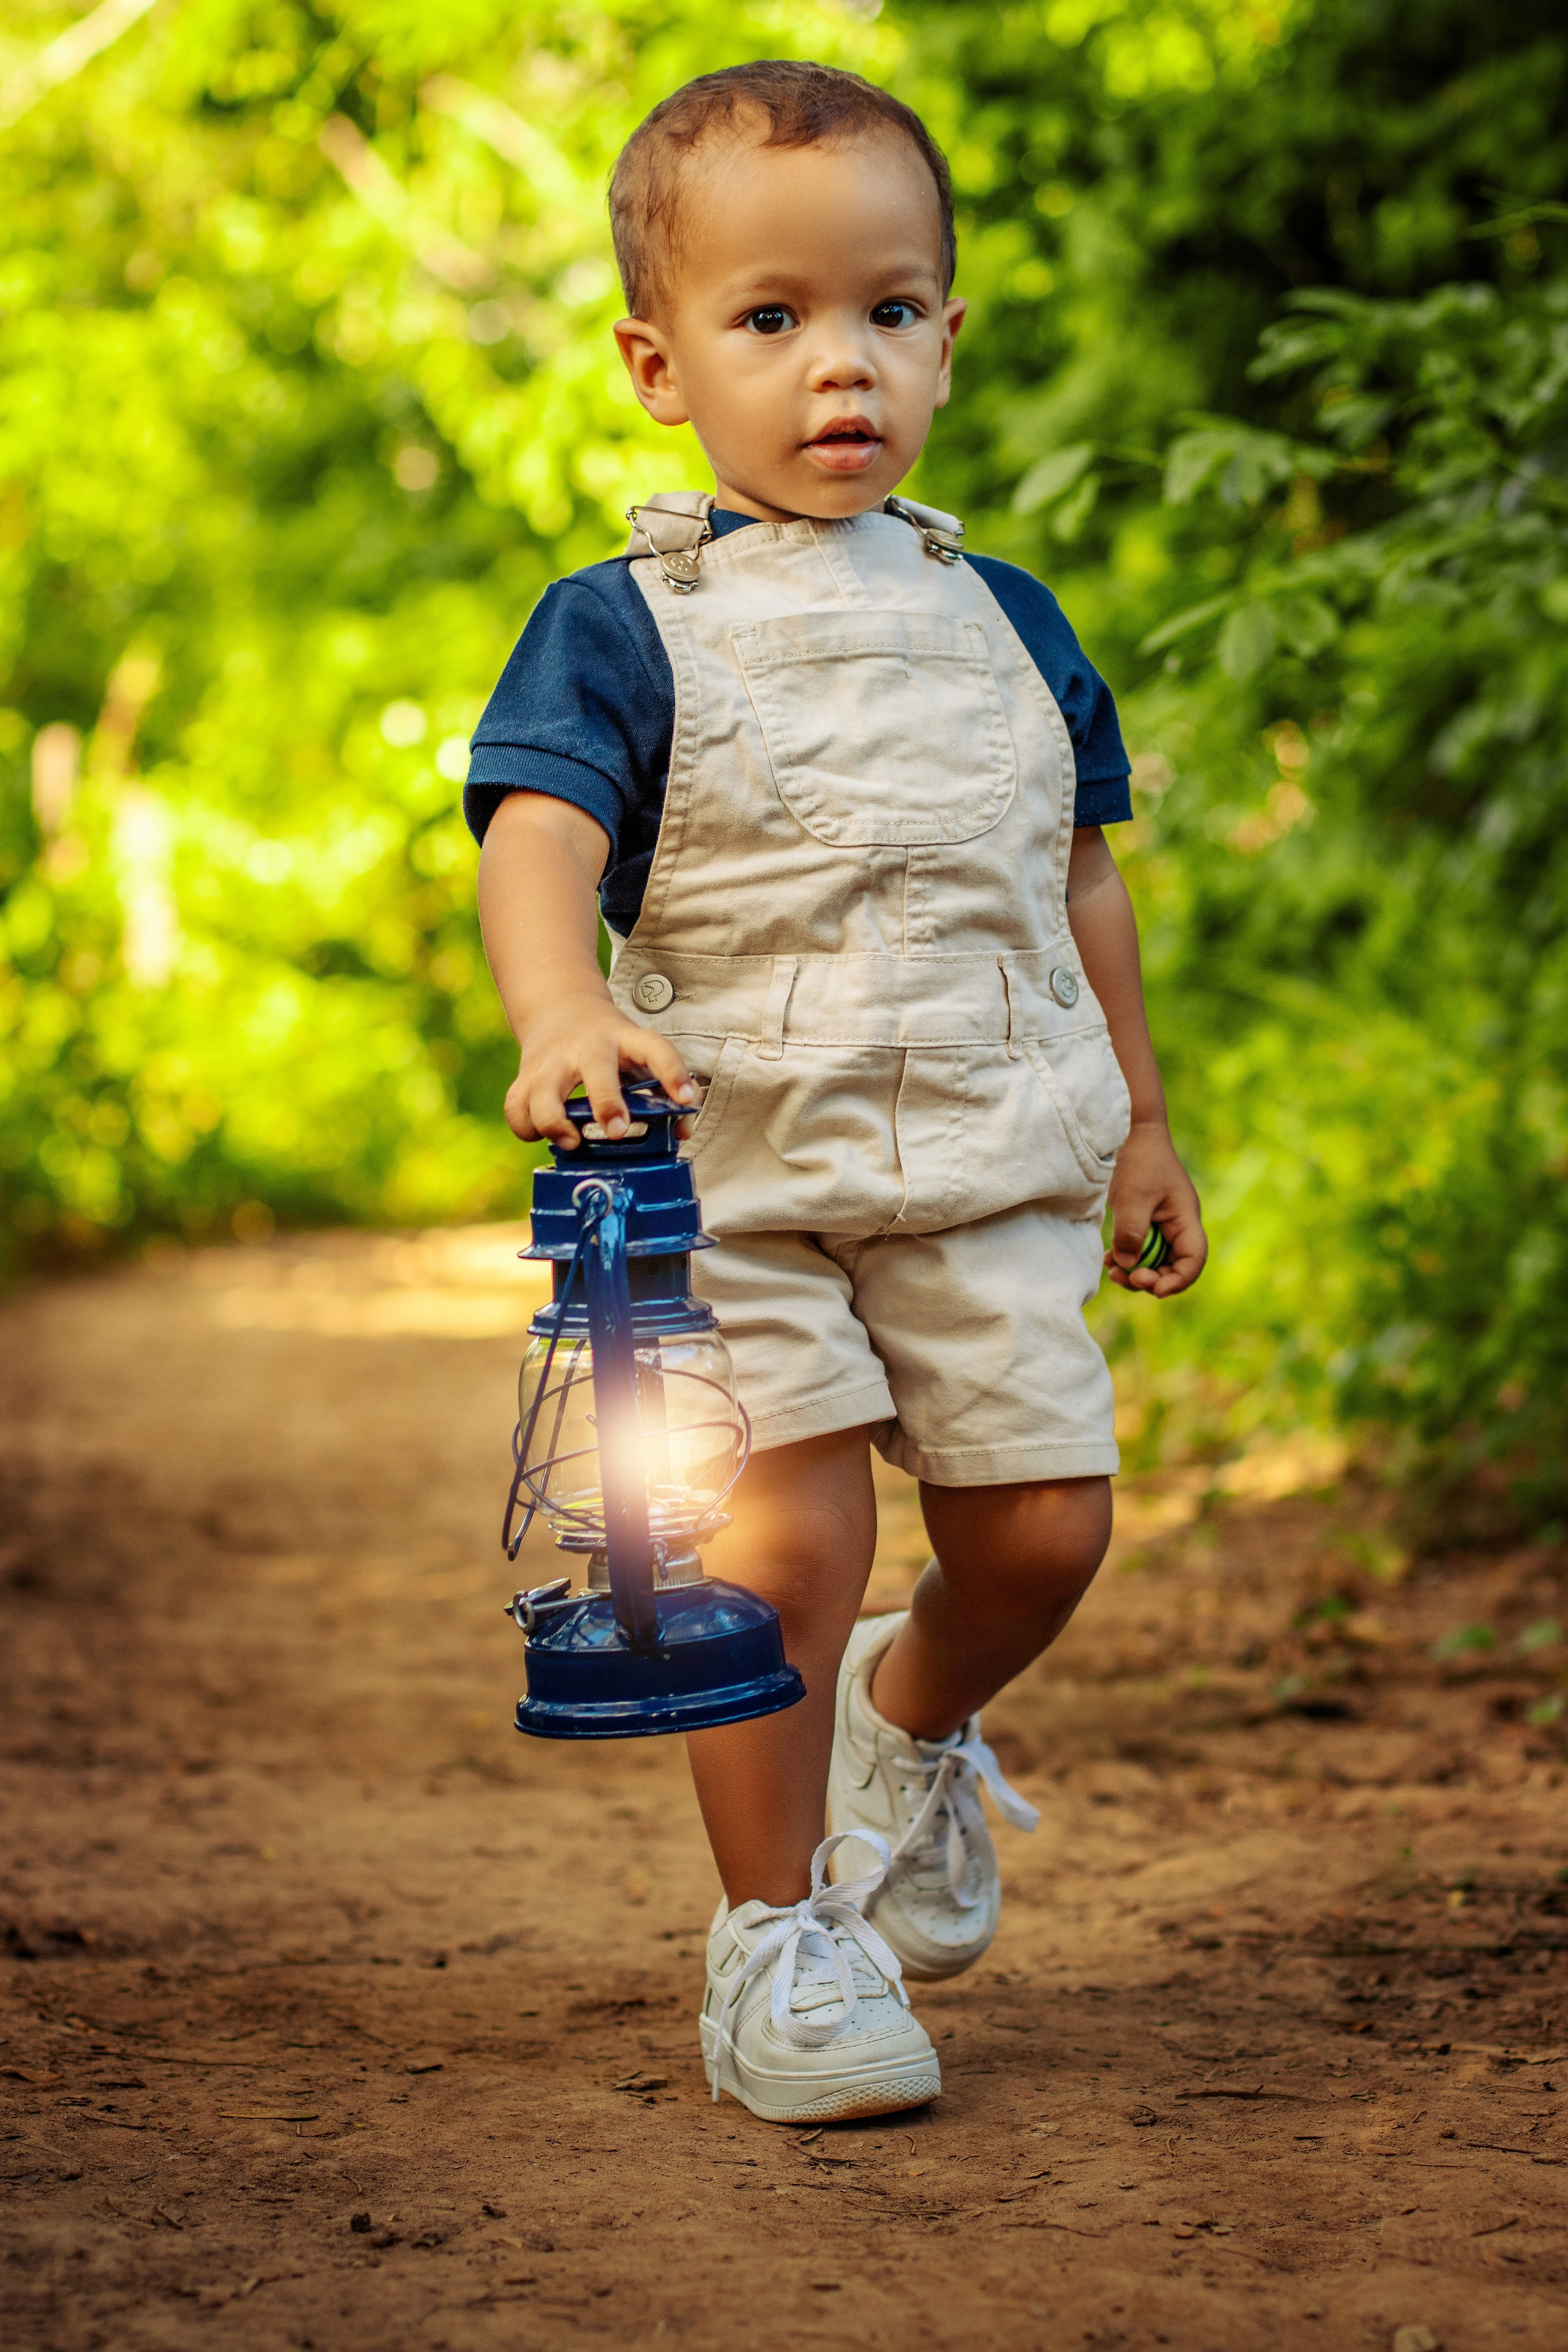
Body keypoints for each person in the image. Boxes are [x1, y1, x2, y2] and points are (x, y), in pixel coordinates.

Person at [468, 59, 1207, 2126]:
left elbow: (1078, 873)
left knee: (1047, 1528)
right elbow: (536, 828)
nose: (838, 367)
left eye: (888, 312)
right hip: (739, 1176)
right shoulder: (624, 629)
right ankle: (779, 1944)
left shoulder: (1010, 622)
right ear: (656, 360)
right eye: (769, 320)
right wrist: (557, 1015)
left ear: (950, 342)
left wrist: (1143, 1117)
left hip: (989, 1159)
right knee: (781, 1533)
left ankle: (917, 1710)